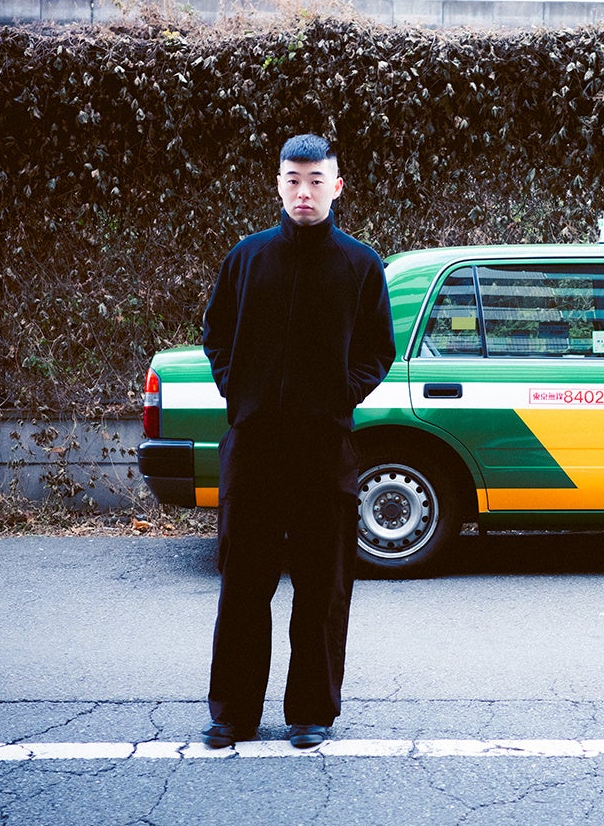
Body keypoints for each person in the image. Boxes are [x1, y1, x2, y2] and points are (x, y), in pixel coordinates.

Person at [199, 133, 395, 749]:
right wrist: (239, 392)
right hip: (253, 447)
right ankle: (233, 714)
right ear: (278, 185)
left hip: (323, 449)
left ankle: (312, 711)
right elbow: (216, 335)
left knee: (322, 585)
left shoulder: (360, 264)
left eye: (315, 180)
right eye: (292, 180)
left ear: (337, 186)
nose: (303, 192)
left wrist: (340, 397)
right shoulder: (248, 257)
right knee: (243, 583)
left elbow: (377, 350)